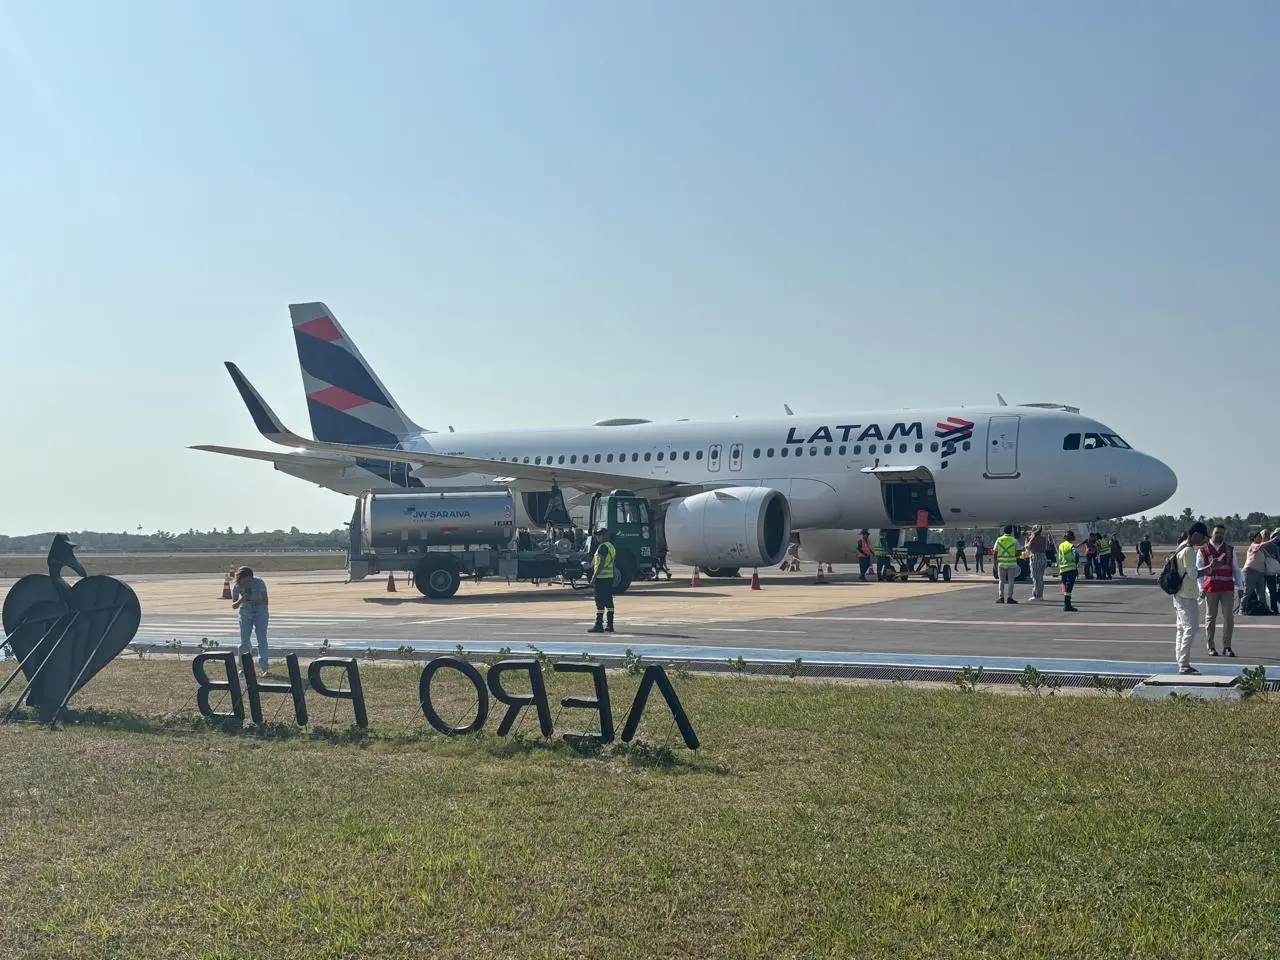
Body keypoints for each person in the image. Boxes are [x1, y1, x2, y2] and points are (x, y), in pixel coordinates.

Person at [1197, 524, 1244, 657]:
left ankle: (1227, 646)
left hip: (1227, 587)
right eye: (1217, 532)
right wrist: (1201, 588)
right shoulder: (1203, 550)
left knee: (1229, 618)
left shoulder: (1229, 549)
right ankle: (1210, 646)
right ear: (1212, 533)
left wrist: (1240, 586)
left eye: (1222, 533)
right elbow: (1198, 571)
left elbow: (1236, 569)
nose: (1219, 535)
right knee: (1210, 618)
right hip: (1211, 588)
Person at [1171, 523, 1209, 674]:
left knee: (1181, 628)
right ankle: (1184, 664)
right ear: (1195, 534)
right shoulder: (1188, 551)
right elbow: (1193, 575)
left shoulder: (1181, 547)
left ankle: (1181, 660)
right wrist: (1209, 568)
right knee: (1191, 628)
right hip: (1187, 595)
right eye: (1202, 536)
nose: (1203, 540)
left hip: (1179, 594)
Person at [230, 566, 270, 673]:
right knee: (244, 641)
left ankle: (264, 666)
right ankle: (244, 667)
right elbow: (234, 605)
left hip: (260, 611)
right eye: (245, 581)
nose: (247, 583)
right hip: (245, 612)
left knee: (262, 639)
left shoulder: (259, 582)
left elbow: (265, 601)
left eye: (249, 580)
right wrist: (242, 600)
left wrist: (252, 598)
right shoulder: (237, 586)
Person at [588, 527, 617, 633]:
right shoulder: (611, 547)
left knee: (599, 602)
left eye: (599, 535)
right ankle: (610, 625)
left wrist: (593, 578)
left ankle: (598, 625)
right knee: (609, 602)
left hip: (601, 579)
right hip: (609, 578)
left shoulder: (602, 547)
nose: (597, 537)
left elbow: (601, 564)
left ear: (604, 535)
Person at [1243, 530, 1280, 612]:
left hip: (1269, 572)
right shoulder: (1257, 546)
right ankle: (1246, 608)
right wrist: (1273, 540)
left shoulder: (1274, 547)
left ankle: (1270, 608)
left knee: (1268, 592)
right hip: (1257, 572)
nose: (1266, 536)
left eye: (1268, 534)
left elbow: (1276, 559)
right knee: (1254, 591)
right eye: (1264, 535)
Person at [994, 525, 1020, 604]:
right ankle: (1010, 598)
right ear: (1011, 532)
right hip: (1012, 563)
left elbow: (995, 552)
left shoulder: (999, 540)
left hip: (1001, 563)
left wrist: (995, 563)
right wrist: (1013, 555)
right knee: (1011, 581)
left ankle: (1001, 598)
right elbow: (1019, 551)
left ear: (1003, 531)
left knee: (1001, 581)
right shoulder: (1014, 540)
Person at [1058, 531, 1080, 612]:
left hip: (1063, 569)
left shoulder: (1061, 545)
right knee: (1069, 588)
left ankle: (1066, 604)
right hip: (1071, 569)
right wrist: (1076, 563)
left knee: (1065, 587)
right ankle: (1067, 605)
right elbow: (1076, 555)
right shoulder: (1071, 546)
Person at [1024, 525, 1048, 601]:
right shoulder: (1044, 538)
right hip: (1043, 556)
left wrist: (1027, 540)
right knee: (1040, 577)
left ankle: (1037, 595)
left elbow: (1028, 547)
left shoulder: (1033, 538)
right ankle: (1040, 594)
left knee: (1035, 577)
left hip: (1036, 556)